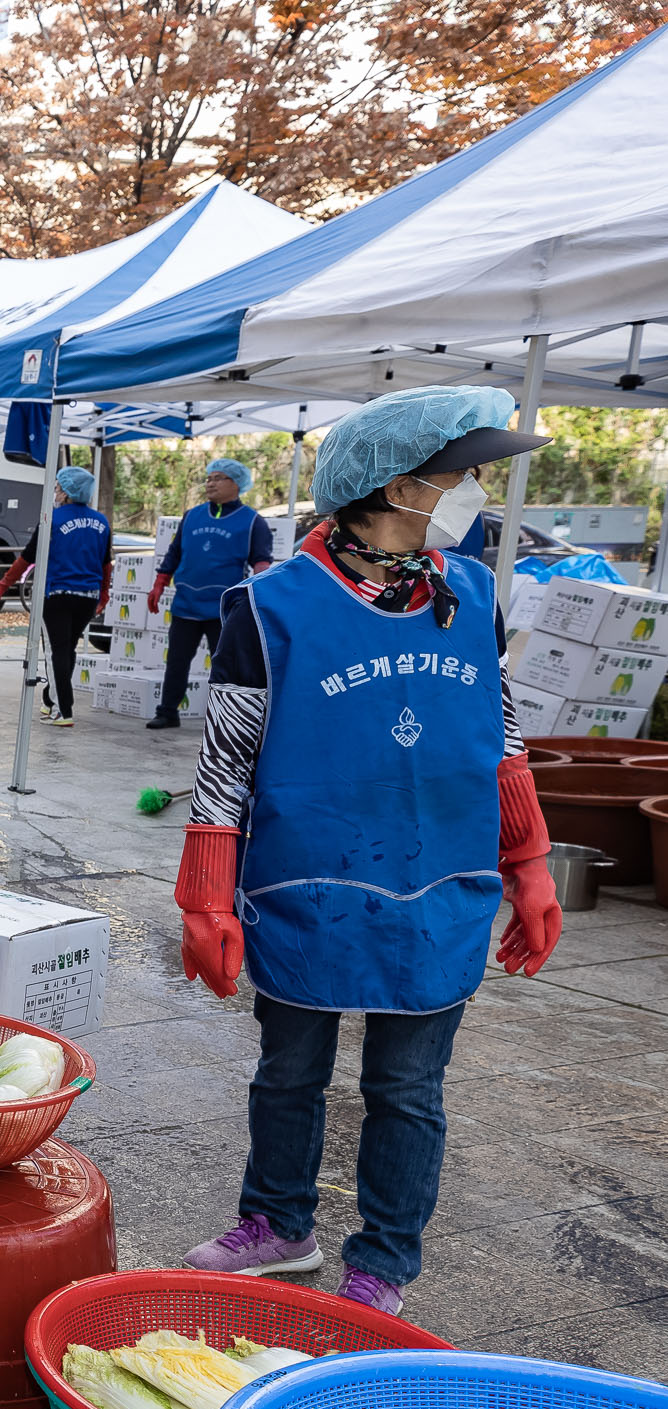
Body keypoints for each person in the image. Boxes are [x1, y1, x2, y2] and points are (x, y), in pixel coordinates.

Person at [173, 386, 561, 1316]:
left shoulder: (470, 594)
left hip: (441, 884)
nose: (471, 488)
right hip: (309, 883)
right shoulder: (267, 608)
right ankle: (277, 1222)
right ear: (395, 486)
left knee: (409, 1087)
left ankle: (383, 1261)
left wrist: (532, 862)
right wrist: (207, 899)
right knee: (290, 1069)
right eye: (457, 473)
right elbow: (226, 762)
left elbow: (498, 735)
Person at [146, 457, 274, 728]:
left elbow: (261, 562)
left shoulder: (252, 522)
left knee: (226, 667)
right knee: (177, 662)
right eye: (208, 478)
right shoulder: (192, 515)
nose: (210, 483)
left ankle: (225, 719)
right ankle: (168, 711)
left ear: (236, 484)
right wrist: (160, 581)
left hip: (225, 609)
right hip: (186, 604)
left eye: (218, 478)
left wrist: (257, 599)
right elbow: (175, 553)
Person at [0, 466, 113, 727]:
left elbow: (26, 558)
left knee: (57, 651)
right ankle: (51, 699)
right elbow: (106, 564)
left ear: (67, 493)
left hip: (56, 594)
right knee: (67, 648)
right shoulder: (101, 522)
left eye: (57, 488)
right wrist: (104, 594)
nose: (55, 493)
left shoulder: (51, 520)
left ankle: (63, 710)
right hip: (87, 597)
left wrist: (2, 585)